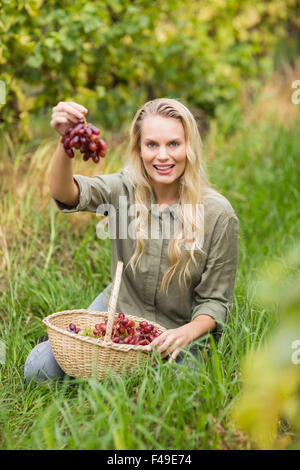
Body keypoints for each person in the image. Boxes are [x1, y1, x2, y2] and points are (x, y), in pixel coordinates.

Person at [24, 98, 239, 383]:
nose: (162, 156)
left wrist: (187, 333)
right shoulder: (122, 189)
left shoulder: (218, 214)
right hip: (119, 314)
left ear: (190, 148)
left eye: (174, 144)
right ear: (139, 149)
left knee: (180, 388)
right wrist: (66, 144)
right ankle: (78, 354)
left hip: (174, 330)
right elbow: (66, 193)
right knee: (39, 368)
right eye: (151, 145)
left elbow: (214, 301)